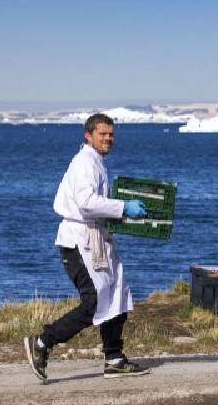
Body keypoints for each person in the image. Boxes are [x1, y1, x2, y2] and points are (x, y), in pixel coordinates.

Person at [23, 113, 150, 381]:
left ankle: (114, 357)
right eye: (103, 134)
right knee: (94, 301)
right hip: (79, 240)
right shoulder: (85, 163)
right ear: (88, 135)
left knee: (116, 293)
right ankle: (43, 342)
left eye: (111, 135)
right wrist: (123, 207)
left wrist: (121, 215)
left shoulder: (97, 162)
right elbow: (86, 202)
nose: (108, 139)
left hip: (95, 237)